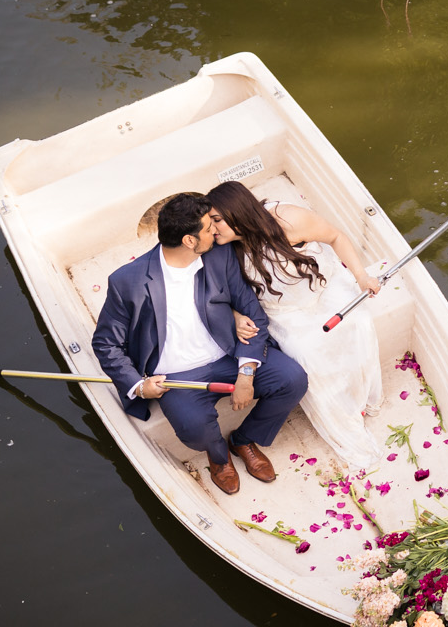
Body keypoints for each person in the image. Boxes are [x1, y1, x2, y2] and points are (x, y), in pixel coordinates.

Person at [91, 192, 308, 494]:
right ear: (189, 241)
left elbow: (252, 312)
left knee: (293, 379)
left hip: (228, 356)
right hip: (175, 376)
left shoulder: (219, 256)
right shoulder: (127, 281)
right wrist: (139, 386)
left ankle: (244, 440)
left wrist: (246, 372)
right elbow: (105, 344)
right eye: (208, 228)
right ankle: (218, 458)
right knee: (194, 429)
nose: (216, 231)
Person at [205, 179, 387, 479]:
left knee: (359, 321)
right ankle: (336, 405)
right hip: (283, 311)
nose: (213, 229)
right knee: (305, 352)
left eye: (217, 220)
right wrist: (237, 315)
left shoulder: (289, 219)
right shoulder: (225, 248)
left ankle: (360, 393)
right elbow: (228, 291)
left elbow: (335, 236)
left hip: (322, 289)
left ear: (236, 213)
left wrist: (361, 275)